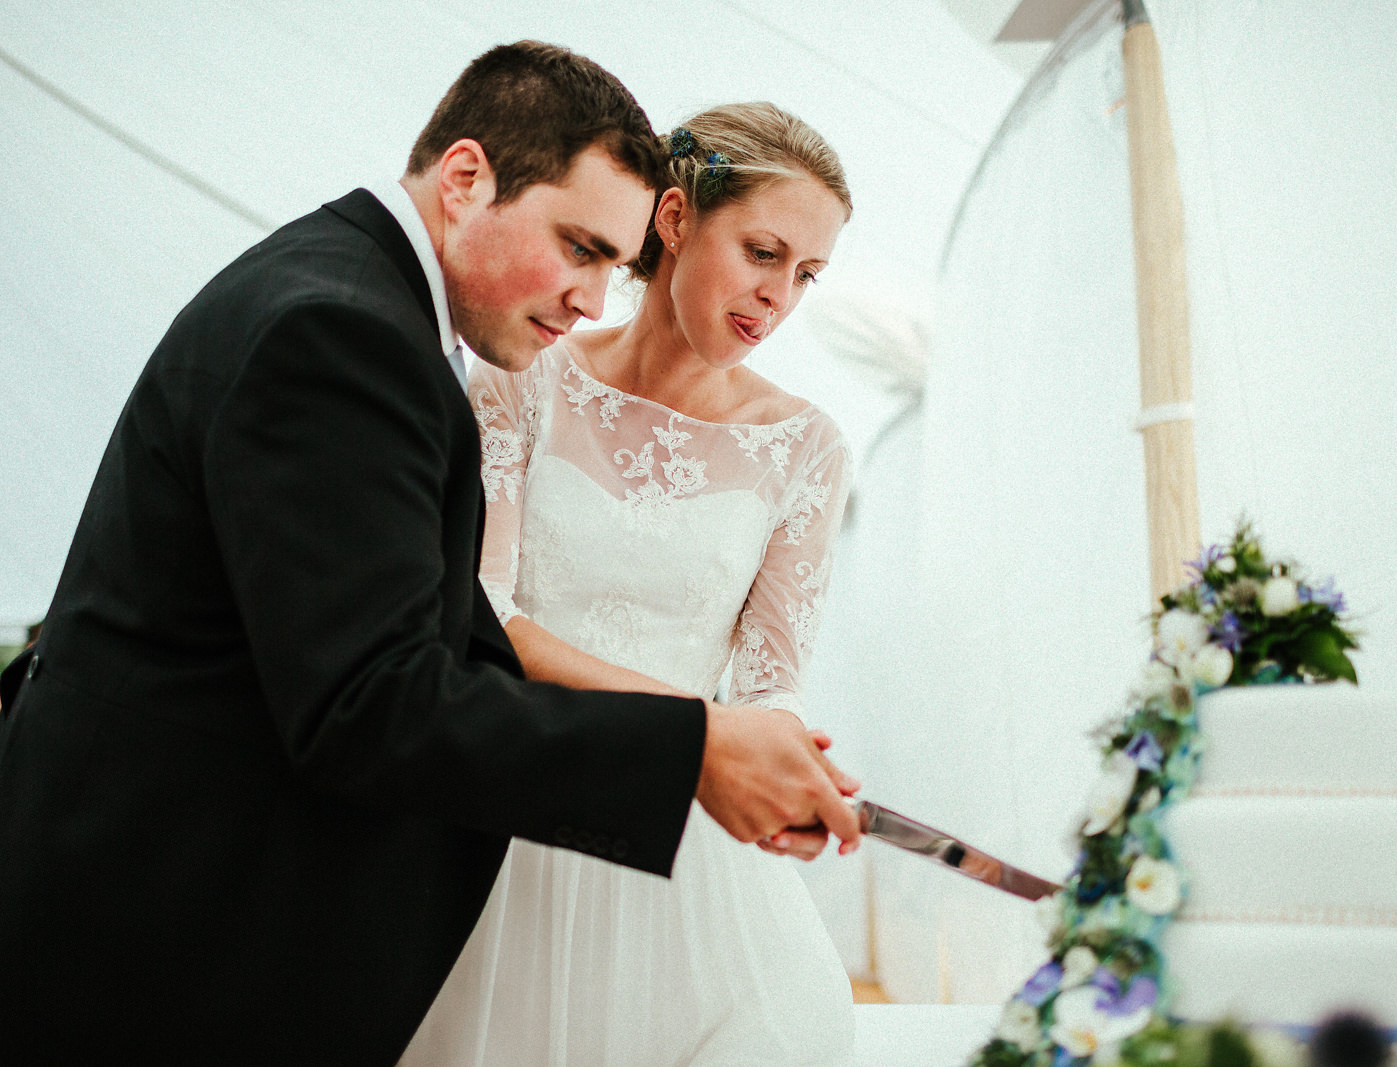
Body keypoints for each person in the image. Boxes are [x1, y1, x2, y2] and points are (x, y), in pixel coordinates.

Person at [0, 42, 860, 1067]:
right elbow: (376, 696)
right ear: (464, 179)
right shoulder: (342, 331)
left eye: (606, 262)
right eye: (578, 245)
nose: (592, 296)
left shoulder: (354, 299)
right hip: (163, 906)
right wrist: (692, 743)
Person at [399, 102, 857, 1067]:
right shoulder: (523, 380)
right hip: (515, 817)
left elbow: (771, 682)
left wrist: (779, 746)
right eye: (763, 252)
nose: (779, 296)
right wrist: (697, 729)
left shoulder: (807, 449)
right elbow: (486, 615)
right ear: (678, 218)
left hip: (690, 861)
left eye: (807, 275)